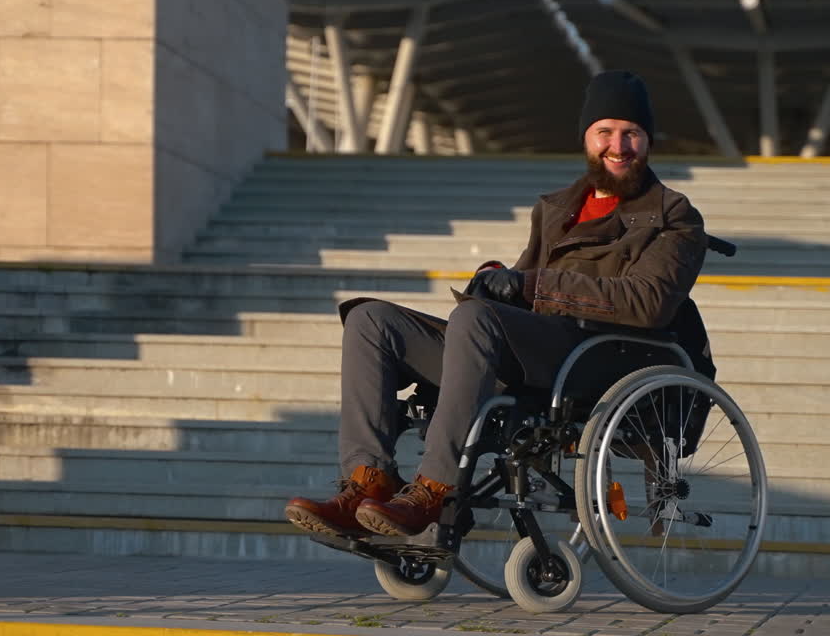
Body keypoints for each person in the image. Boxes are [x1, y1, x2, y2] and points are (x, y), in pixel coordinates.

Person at [284, 70, 711, 539]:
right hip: (523, 351)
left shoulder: (675, 215)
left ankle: (436, 489)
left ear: (647, 141)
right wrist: (496, 283)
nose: (618, 144)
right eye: (605, 132)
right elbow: (523, 287)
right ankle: (370, 480)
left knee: (476, 319)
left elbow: (649, 303)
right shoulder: (555, 209)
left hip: (596, 360)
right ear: (587, 139)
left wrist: (531, 286)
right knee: (370, 320)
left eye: (631, 133)